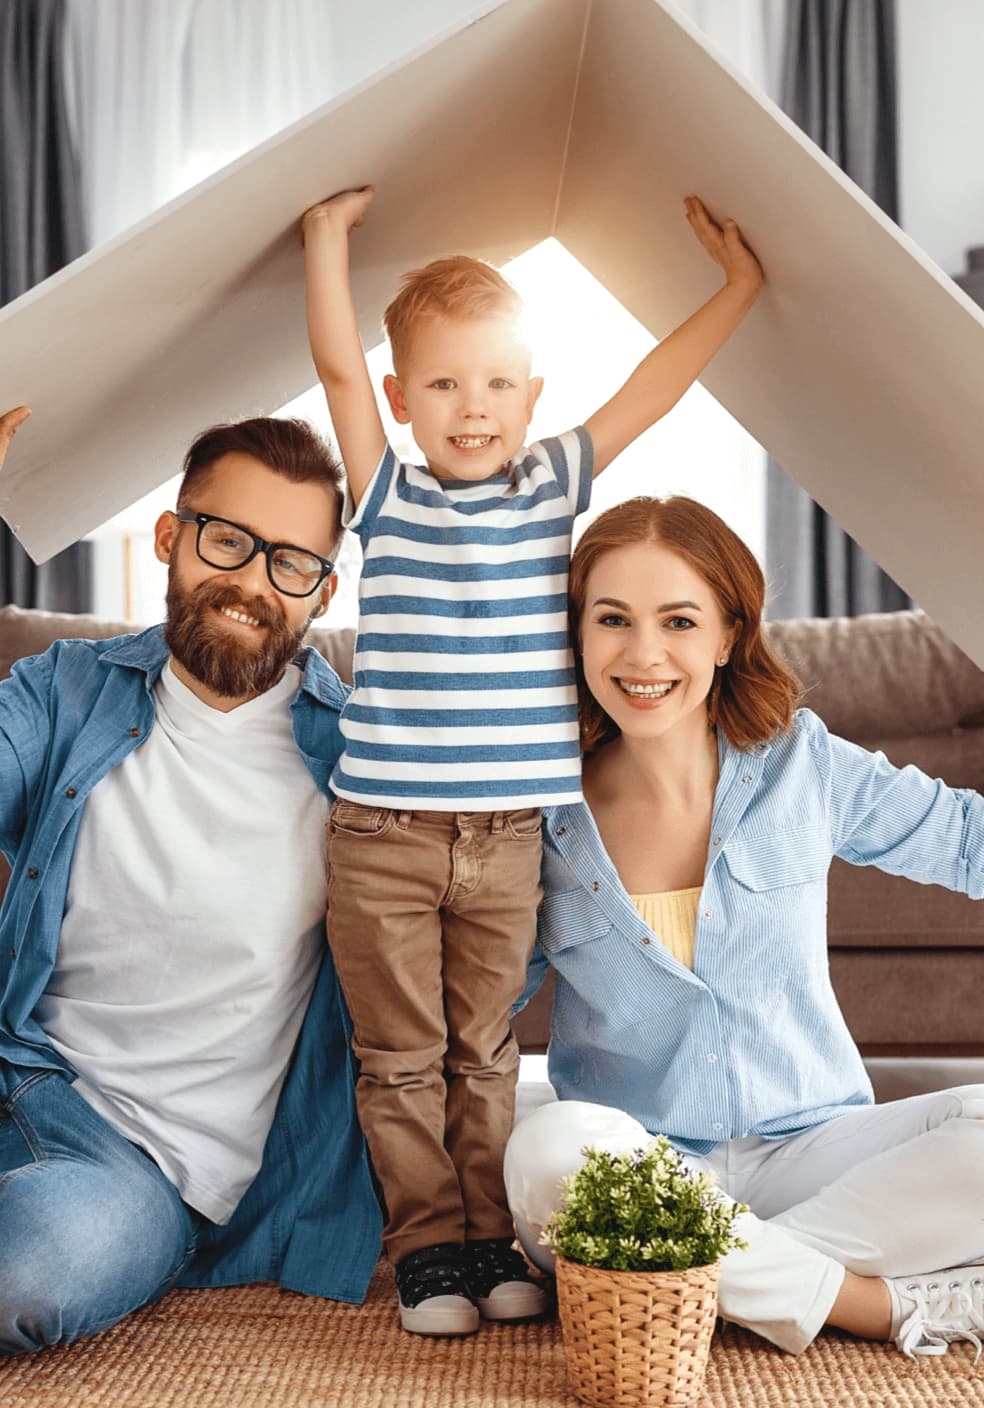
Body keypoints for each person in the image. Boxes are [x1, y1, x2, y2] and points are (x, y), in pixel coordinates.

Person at [301, 185, 764, 1335]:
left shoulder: (553, 483)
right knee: (401, 1060)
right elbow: (338, 373)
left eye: (499, 382)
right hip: (384, 839)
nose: (474, 408)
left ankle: (490, 1240)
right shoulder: (385, 491)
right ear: (406, 399)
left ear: (533, 395)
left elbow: (651, 392)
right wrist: (324, 244)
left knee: (488, 1056)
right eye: (446, 384)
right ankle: (425, 1256)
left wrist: (737, 288)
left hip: (508, 838)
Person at [504, 494, 984, 1361]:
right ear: (576, 636)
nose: (643, 654)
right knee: (546, 1147)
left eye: (678, 621)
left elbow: (966, 840)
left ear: (728, 636)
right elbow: (473, 1013)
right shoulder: (540, 816)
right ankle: (874, 1306)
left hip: (816, 1149)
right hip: (638, 1167)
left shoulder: (799, 762)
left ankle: (696, 1282)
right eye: (612, 619)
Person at [0, 405, 382, 1356]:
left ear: (322, 592)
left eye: (291, 562)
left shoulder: (364, 762)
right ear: (172, 538)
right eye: (227, 541)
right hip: (17, 1070)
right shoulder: (67, 691)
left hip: (138, 1162)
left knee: (27, 1276)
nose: (253, 584)